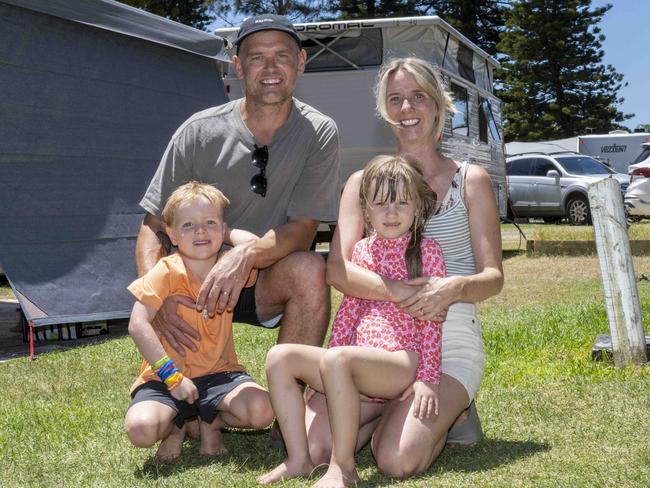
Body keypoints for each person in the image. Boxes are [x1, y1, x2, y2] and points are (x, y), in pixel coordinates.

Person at [322, 57, 504, 478]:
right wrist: (399, 291)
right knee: (320, 447)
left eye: (418, 97)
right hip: (377, 337)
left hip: (447, 332)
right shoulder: (362, 183)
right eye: (396, 99)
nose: (407, 109)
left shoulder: (470, 181)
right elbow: (337, 270)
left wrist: (452, 288)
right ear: (386, 110)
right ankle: (386, 412)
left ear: (439, 105)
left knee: (396, 460)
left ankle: (448, 411)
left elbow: (493, 278)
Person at [134, 14, 340, 359]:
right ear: (238, 67)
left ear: (301, 62)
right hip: (191, 282)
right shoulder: (198, 131)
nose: (270, 68)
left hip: (263, 276)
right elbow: (153, 226)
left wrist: (245, 255)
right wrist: (155, 296)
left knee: (310, 269)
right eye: (257, 57)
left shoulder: (319, 132)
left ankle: (287, 403)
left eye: (282, 56)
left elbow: (303, 231)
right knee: (178, 413)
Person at [257, 155, 446, 487]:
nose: (391, 212)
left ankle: (343, 468)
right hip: (354, 363)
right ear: (367, 211)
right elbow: (349, 310)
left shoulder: (427, 252)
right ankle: (299, 459)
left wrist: (428, 377)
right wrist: (331, 370)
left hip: (400, 361)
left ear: (418, 208)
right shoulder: (360, 252)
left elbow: (431, 323)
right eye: (381, 203)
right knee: (280, 357)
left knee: (340, 359)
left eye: (402, 203)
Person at [124, 182, 274, 460]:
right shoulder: (165, 270)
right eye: (189, 225)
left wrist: (226, 233)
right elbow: (137, 324)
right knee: (140, 429)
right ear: (173, 235)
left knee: (264, 410)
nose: (201, 231)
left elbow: (256, 246)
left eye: (209, 223)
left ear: (222, 227)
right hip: (165, 377)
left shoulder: (231, 269)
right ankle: (176, 428)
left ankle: (210, 423)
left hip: (220, 374)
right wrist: (171, 376)